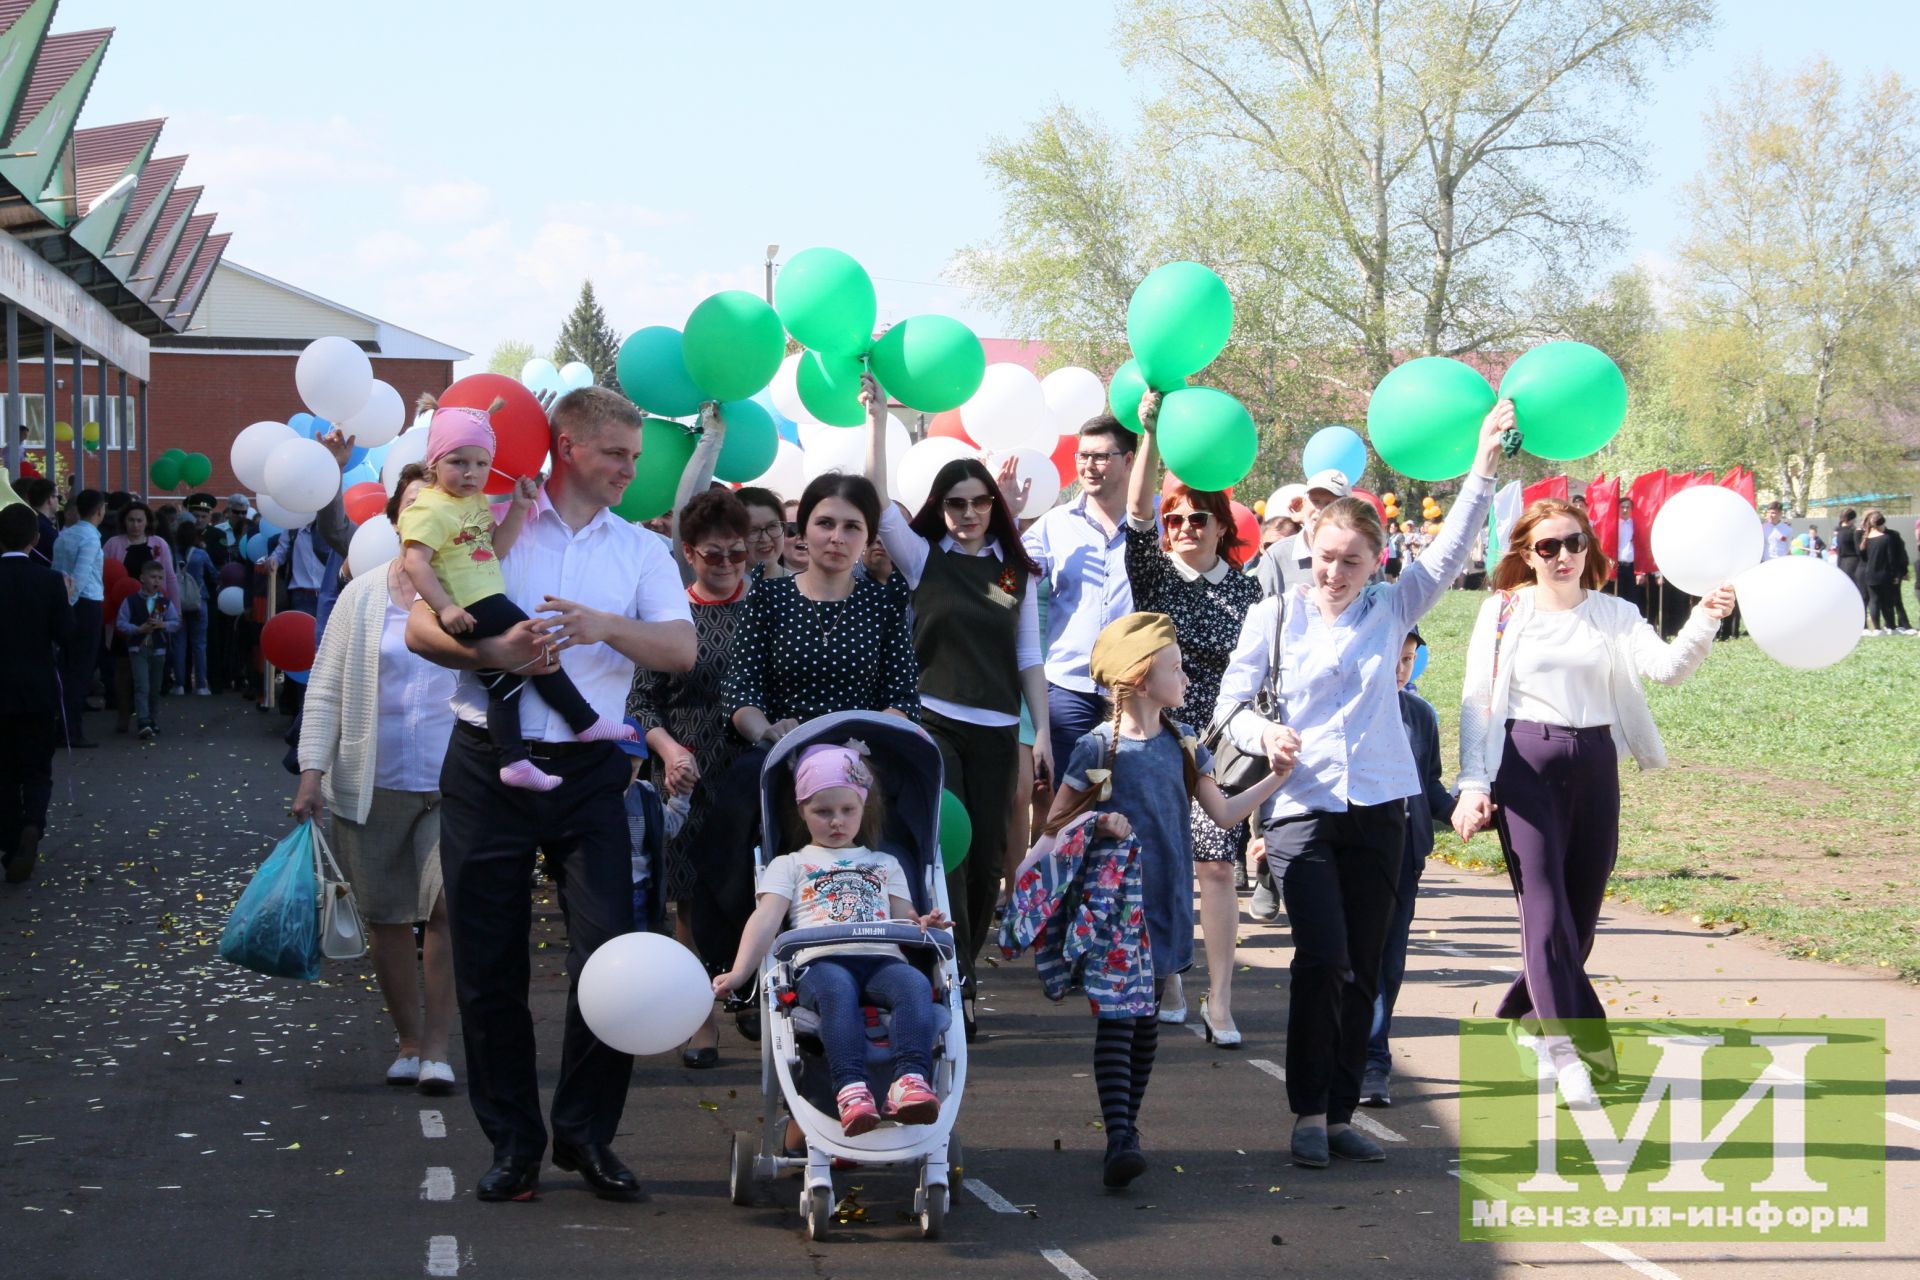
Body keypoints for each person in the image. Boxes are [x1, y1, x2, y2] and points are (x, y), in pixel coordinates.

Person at [404, 385, 696, 1204]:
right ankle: (513, 1144)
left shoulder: (638, 551)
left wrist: (605, 627)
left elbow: (678, 648)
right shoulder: (489, 519)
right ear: (567, 448)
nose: (628, 472)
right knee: (487, 965)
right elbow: (420, 624)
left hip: (590, 773)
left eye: (635, 458)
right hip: (485, 765)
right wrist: (496, 649)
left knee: (610, 959)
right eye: (616, 455)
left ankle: (586, 1136)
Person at [1216, 402, 1507, 1169]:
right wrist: (1262, 734)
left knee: (1368, 964)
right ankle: (1308, 1111)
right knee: (1323, 958)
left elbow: (1450, 551)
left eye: (1351, 560)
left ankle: (1342, 1110)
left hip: (1382, 806)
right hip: (1302, 811)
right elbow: (1227, 709)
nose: (1335, 573)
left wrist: (1482, 465)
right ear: (1305, 550)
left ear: (1376, 560)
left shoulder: (1392, 607)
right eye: (1324, 557)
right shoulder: (1273, 618)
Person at [1455, 498, 1735, 1105]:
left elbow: (1665, 670)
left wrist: (1706, 618)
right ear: (1526, 555)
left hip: (1595, 763)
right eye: (1549, 547)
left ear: (1590, 548)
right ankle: (1569, 1050)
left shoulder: (1615, 612)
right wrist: (1473, 783)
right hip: (1523, 764)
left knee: (1579, 918)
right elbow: (1477, 699)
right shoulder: (1503, 611)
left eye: (1574, 543)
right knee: (1547, 909)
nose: (1564, 556)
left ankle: (1527, 1011)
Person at [1041, 612, 1295, 1186]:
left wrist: (1277, 777)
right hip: (1114, 908)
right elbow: (1057, 822)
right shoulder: (1097, 747)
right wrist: (1101, 820)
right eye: (1175, 667)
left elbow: (1226, 812)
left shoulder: (1184, 745)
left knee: (1145, 1020)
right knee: (1118, 1019)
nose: (1185, 678)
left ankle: (1127, 1126)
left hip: (1165, 904)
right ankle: (1120, 1137)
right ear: (1139, 676)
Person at [866, 376, 1043, 1035]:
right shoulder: (921, 560)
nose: (967, 513)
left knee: (990, 864)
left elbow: (1026, 655)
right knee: (952, 855)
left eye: (978, 503)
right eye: (955, 503)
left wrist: (1042, 732)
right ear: (939, 508)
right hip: (935, 724)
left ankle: (958, 971)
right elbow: (879, 504)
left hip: (1000, 730)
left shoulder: (1009, 571)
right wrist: (877, 419)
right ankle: (957, 993)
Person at [711, 473, 919, 1023]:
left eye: (852, 526)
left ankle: (899, 965)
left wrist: (864, 741)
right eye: (825, 523)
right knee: (734, 815)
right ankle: (745, 972)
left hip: (862, 760)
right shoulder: (770, 597)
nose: (836, 536)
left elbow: (902, 699)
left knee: (902, 823)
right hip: (780, 755)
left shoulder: (883, 604)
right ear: (803, 529)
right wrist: (770, 733)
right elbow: (741, 694)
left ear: (867, 536)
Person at [294, 464, 460, 1093]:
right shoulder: (360, 595)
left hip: (454, 782)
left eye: (437, 504)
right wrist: (312, 773)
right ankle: (410, 1040)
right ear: (395, 519)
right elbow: (327, 690)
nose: (423, 516)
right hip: (372, 780)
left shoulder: (470, 589)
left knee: (445, 908)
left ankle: (440, 1047)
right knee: (388, 916)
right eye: (412, 505)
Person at [712, 742, 949, 1136]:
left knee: (914, 984)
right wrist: (739, 973)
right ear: (801, 811)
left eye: (847, 810)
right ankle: (851, 1088)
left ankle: (910, 1081)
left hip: (882, 959)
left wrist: (926, 922)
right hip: (821, 962)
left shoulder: (884, 863)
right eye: (823, 812)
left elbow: (903, 917)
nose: (836, 821)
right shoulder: (791, 864)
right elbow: (766, 918)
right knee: (836, 990)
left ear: (863, 809)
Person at [400, 401, 637, 792]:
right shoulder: (428, 507)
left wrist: (519, 509)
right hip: (472, 604)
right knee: (539, 642)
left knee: (505, 683)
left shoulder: (470, 503)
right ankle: (584, 720)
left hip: (483, 594)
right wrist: (446, 607)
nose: (471, 473)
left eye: (480, 464)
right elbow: (415, 562)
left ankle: (512, 760)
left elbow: (493, 551)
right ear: (434, 463)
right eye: (458, 462)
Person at [1124, 390, 1262, 1041]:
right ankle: (1170, 975)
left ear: (1220, 525)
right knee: (1161, 859)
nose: (1183, 529)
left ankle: (1221, 1000)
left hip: (1222, 741)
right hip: (1156, 736)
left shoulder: (1246, 587)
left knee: (1215, 864)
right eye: (1174, 519)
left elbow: (1261, 668)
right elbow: (1133, 512)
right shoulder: (1151, 574)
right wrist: (1149, 432)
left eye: (1196, 520)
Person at [626, 486, 754, 1068]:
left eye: (737, 553)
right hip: (684, 774)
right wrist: (670, 749)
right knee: (690, 904)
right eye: (712, 554)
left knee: (761, 891)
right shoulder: (668, 614)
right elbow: (641, 701)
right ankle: (699, 1021)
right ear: (688, 553)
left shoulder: (771, 606)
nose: (726, 565)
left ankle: (754, 990)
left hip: (753, 772)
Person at [1359, 629, 1454, 1108]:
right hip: (1354, 853)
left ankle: (1374, 1062)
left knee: (1388, 964)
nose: (1400, 669)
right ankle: (1351, 1055)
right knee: (1352, 962)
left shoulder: (1420, 714)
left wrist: (1458, 810)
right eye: (1393, 658)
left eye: (1409, 659)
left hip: (1405, 858)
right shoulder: (1349, 710)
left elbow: (1429, 783)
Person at [1023, 414, 1137, 782]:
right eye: (1082, 455)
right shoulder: (1053, 524)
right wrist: (1006, 512)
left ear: (1129, 460)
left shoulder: (1156, 523)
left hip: (1135, 689)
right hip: (1068, 690)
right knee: (1071, 807)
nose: (1089, 466)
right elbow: (1007, 579)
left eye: (1101, 456)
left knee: (1128, 802)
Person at [0, 505, 74, 884]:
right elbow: (67, 636)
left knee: (4, 772)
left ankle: (11, 841)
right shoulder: (49, 581)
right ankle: (33, 824)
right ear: (35, 538)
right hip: (37, 688)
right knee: (37, 768)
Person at [52, 489, 105, 748]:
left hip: (66, 601)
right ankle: (71, 730)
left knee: (65, 668)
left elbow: (56, 571)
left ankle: (61, 725)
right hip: (85, 604)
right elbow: (81, 576)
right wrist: (70, 606)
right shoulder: (90, 538)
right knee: (80, 670)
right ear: (99, 511)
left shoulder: (65, 535)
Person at [114, 558, 179, 740]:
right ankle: (143, 721)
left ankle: (152, 718)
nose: (156, 581)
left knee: (155, 687)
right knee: (142, 685)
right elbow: (121, 622)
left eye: (160, 578)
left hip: (158, 649)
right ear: (142, 578)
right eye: (152, 577)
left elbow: (175, 623)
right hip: (138, 648)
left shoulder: (164, 602)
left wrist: (163, 624)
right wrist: (137, 629)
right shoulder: (132, 601)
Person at [171, 520, 216, 696]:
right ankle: (201, 685)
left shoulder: (172, 554)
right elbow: (214, 574)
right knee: (199, 645)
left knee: (179, 644)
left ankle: (179, 684)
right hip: (199, 601)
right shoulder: (201, 554)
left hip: (177, 603)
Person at [1860, 509, 1914, 635]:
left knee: (1874, 601)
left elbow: (1863, 557)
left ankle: (1877, 629)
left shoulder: (1866, 538)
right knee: (1887, 602)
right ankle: (1890, 627)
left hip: (1870, 574)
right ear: (1882, 522)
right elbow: (1891, 559)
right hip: (1884, 575)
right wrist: (1896, 574)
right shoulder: (1887, 538)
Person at [736, 485, 790, 581]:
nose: (765, 539)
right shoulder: (720, 590)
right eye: (753, 530)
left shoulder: (805, 588)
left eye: (772, 526)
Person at [1833, 508, 1868, 605]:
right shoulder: (1853, 532)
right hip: (1853, 563)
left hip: (1842, 563)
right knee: (1858, 591)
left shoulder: (1839, 532)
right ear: (1851, 519)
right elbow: (1859, 549)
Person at [1613, 496, 1640, 614]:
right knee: (1617, 596)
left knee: (1631, 598)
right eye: (1622, 507)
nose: (1625, 510)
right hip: (1617, 566)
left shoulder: (1635, 525)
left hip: (1632, 567)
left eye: (1627, 507)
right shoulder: (1614, 525)